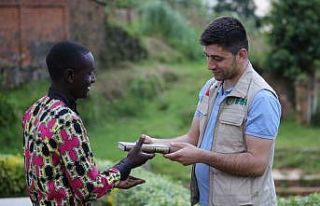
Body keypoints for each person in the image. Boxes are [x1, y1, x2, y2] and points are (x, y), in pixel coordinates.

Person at [144, 16, 281, 206]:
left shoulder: (261, 98)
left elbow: (257, 163)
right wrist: (153, 144)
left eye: (217, 58)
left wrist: (201, 156)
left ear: (242, 55)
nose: (209, 65)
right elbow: (193, 138)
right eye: (207, 56)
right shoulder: (212, 87)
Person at [22, 41, 154, 205]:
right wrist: (127, 163)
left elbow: (62, 176)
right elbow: (89, 189)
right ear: (70, 76)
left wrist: (114, 179)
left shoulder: (35, 110)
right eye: (89, 73)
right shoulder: (67, 121)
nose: (93, 79)